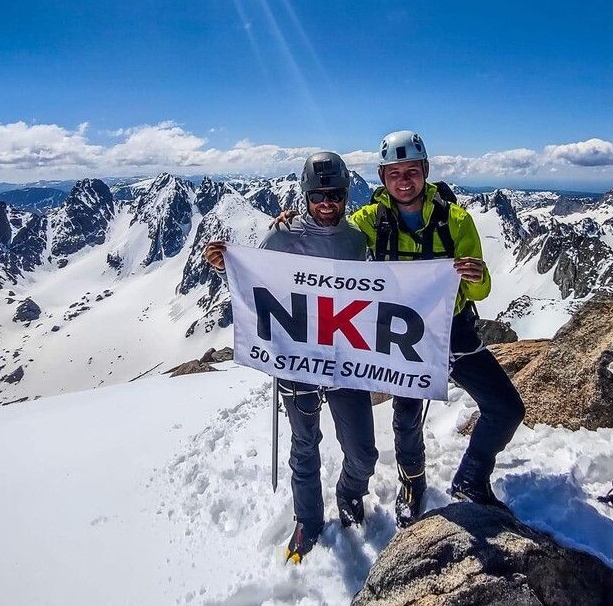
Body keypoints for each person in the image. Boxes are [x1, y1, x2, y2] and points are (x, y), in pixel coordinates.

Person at [274, 131, 525, 526]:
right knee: (407, 416)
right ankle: (412, 483)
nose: (403, 180)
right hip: (404, 334)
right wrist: (294, 225)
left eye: (411, 171)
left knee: (507, 408)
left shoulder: (455, 221)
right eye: (394, 173)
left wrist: (476, 276)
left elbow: (482, 288)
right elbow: (334, 236)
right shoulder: (371, 220)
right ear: (382, 176)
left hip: (450, 327)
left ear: (425, 171)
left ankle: (472, 477)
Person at [203, 152, 379, 563]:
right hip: (297, 360)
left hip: (346, 359)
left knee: (363, 453)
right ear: (305, 196)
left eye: (335, 195)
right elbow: (254, 279)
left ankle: (349, 492)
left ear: (346, 195)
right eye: (318, 196)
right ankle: (308, 520)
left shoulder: (357, 240)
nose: (327, 204)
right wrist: (222, 265)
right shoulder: (280, 236)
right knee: (304, 446)